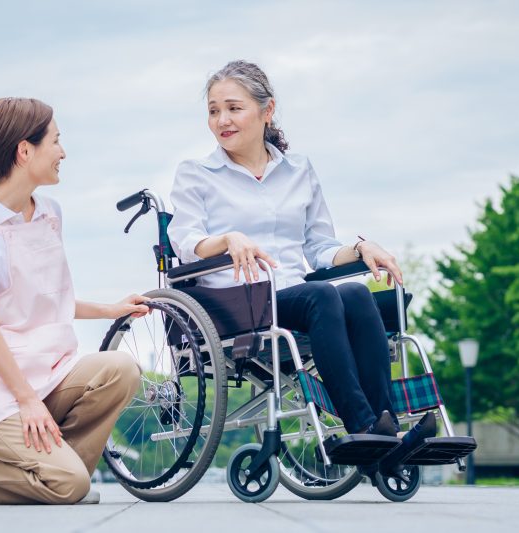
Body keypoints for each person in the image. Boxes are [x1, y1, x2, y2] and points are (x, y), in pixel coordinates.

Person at [168, 60, 413, 450]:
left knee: (356, 293)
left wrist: (361, 248)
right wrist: (228, 239)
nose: (221, 120)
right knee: (323, 296)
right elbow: (185, 239)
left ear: (267, 111)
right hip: (234, 301)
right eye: (214, 110)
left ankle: (386, 424)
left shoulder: (299, 171)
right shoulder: (196, 173)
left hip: (292, 296)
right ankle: (361, 425)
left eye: (233, 108)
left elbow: (318, 246)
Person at [0, 97, 147, 505]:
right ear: (25, 151)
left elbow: (49, 299)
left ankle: (57, 471)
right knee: (70, 487)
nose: (62, 152)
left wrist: (111, 308)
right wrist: (25, 400)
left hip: (47, 372)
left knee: (120, 370)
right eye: (55, 141)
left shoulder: (49, 212)